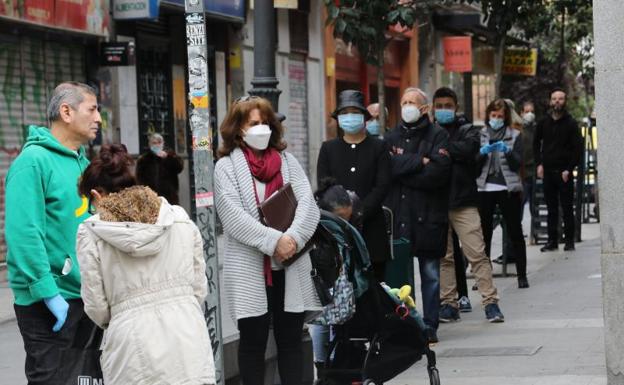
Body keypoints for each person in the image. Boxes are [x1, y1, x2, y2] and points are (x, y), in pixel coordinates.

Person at [76, 144, 215, 384]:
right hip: (188, 340)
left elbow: (96, 306)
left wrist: (124, 313)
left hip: (130, 350)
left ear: (97, 195)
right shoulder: (178, 218)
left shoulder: (92, 234)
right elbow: (199, 288)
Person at [214, 95, 321, 385]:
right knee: (252, 344)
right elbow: (233, 217)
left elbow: (308, 207)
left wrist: (294, 239)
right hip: (251, 270)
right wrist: (276, 242)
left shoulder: (288, 161)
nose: (261, 129)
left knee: (291, 342)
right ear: (238, 129)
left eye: (265, 123)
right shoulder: (225, 167)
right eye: (253, 124)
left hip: (290, 265)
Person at [5, 82, 101, 384]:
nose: (99, 118)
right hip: (47, 302)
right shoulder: (33, 162)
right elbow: (23, 235)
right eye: (93, 109)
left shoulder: (83, 163)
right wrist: (47, 292)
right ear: (66, 112)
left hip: (84, 298)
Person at [432, 87, 505, 323]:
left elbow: (468, 150)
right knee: (445, 257)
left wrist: (441, 150)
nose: (443, 110)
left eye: (447, 105)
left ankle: (490, 303)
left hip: (464, 202)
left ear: (456, 107)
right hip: (438, 202)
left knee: (477, 254)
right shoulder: (429, 131)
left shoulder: (468, 130)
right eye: (439, 106)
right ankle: (449, 304)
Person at [384, 87, 451, 343]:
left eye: (412, 102)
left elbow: (438, 174)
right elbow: (388, 168)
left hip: (428, 216)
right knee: (400, 277)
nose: (407, 106)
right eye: (404, 102)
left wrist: (405, 171)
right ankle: (405, 322)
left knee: (430, 275)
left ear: (424, 108)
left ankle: (430, 324)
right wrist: (419, 162)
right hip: (400, 215)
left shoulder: (439, 136)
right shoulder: (391, 137)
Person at [317, 90, 392, 283]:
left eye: (354, 112)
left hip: (372, 230)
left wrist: (359, 212)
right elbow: (324, 185)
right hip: (337, 231)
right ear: (338, 118)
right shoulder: (328, 148)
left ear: (364, 118)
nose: (349, 117)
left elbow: (382, 185)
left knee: (375, 288)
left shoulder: (379, 147)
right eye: (344, 113)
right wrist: (341, 214)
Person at [476, 99, 529, 289]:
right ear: (488, 115)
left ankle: (522, 275)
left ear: (505, 117)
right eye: (493, 115)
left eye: (500, 116)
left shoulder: (515, 135)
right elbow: (473, 164)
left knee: (515, 231)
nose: (496, 119)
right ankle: (483, 277)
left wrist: (506, 151)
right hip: (485, 189)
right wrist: (482, 152)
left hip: (508, 189)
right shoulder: (480, 135)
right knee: (484, 235)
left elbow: (517, 163)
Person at [534, 88, 582, 252]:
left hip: (564, 173)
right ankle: (552, 241)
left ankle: (569, 241)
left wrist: (569, 169)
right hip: (548, 171)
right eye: (554, 99)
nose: (557, 102)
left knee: (567, 208)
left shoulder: (571, 123)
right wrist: (539, 164)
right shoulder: (543, 122)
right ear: (550, 101)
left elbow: (577, 149)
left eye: (560, 99)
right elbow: (536, 144)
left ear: (565, 101)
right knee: (551, 208)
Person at [136, 132, 184, 205]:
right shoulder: (144, 160)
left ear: (163, 143)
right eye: (154, 143)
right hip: (151, 199)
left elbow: (179, 167)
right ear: (150, 144)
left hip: (169, 198)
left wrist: (168, 157)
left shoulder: (170, 155)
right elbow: (139, 179)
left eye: (159, 142)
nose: (157, 145)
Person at [521, 101, 537, 222]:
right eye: (527, 112)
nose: (530, 114)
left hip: (535, 171)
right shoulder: (518, 130)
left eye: (532, 111)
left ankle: (535, 233)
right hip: (522, 172)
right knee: (520, 203)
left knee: (534, 204)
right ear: (521, 113)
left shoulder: (537, 129)